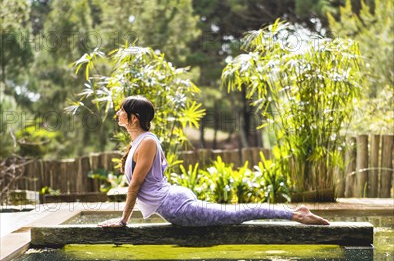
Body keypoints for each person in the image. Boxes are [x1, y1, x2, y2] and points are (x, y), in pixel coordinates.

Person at [99, 96, 330, 228]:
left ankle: (296, 214)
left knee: (234, 215)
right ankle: (294, 213)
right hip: (173, 203)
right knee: (231, 215)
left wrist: (122, 221)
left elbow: (136, 185)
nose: (117, 113)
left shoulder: (148, 142)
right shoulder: (138, 142)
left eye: (122, 110)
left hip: (176, 207)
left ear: (134, 118)